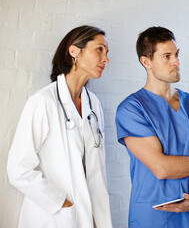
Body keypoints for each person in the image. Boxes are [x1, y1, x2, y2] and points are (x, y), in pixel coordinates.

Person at [115, 26, 189, 227]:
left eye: (176, 54)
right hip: (155, 218)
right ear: (146, 62)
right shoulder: (132, 109)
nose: (176, 62)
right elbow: (162, 168)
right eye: (167, 56)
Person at [7, 25, 113, 228]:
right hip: (54, 218)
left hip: (89, 216)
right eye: (99, 49)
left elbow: (97, 172)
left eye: (106, 52)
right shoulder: (44, 102)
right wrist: (61, 203)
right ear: (74, 51)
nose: (106, 59)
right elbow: (18, 169)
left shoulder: (94, 105)